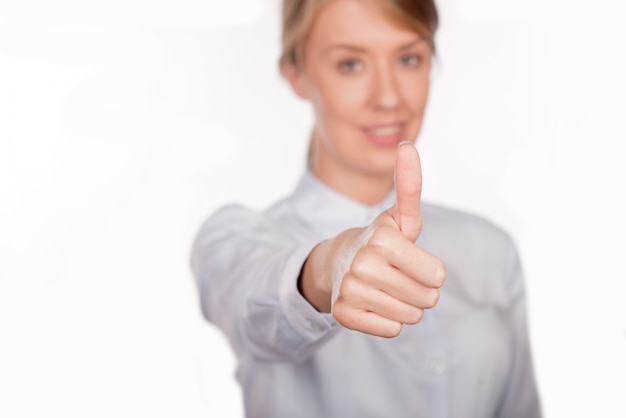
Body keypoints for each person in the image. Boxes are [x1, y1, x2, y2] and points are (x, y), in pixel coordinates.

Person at [190, 0, 542, 417]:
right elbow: (252, 308)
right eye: (351, 65)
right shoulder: (237, 239)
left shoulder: (489, 250)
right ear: (297, 75)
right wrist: (326, 269)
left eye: (408, 58)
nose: (389, 97)